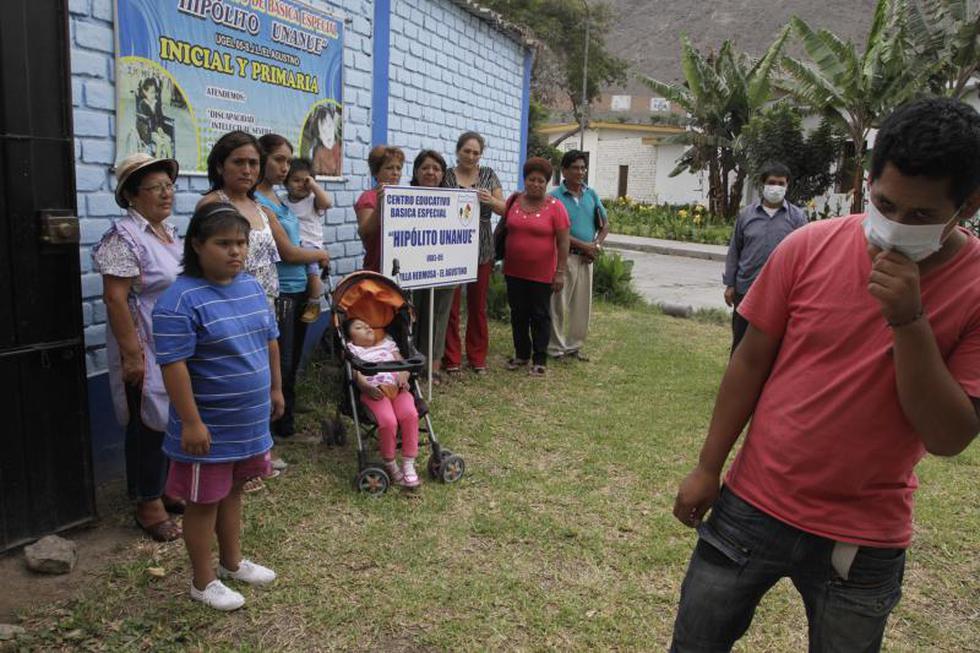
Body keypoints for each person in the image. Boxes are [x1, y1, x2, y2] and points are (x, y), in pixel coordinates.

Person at [670, 97, 980, 652]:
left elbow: (949, 435)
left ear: (968, 205)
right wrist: (707, 465)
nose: (895, 227)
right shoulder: (809, 245)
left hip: (863, 538)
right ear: (868, 182)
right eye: (885, 204)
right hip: (751, 505)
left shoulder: (975, 290)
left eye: (920, 217)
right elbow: (750, 362)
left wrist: (909, 320)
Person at [153, 202, 284, 611]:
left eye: (241, 243)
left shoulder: (250, 287)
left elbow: (270, 341)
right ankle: (202, 580)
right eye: (223, 243)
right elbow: (173, 367)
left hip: (248, 422)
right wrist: (191, 422)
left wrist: (276, 390)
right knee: (204, 501)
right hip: (207, 428)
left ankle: (231, 562)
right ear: (196, 245)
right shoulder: (179, 300)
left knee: (233, 493)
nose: (235, 252)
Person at [92, 152, 183, 542]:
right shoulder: (123, 236)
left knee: (170, 417)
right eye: (156, 188)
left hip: (171, 342)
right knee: (146, 420)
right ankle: (147, 503)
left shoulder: (168, 232)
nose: (166, 194)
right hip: (142, 341)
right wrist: (132, 354)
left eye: (169, 186)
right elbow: (115, 299)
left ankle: (162, 486)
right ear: (132, 195)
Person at [254, 134, 331, 440]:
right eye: (279, 160)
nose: (285, 167)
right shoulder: (258, 201)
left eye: (288, 160)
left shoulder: (277, 198)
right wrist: (321, 254)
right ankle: (274, 426)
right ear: (263, 160)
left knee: (294, 356)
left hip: (300, 287)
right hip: (281, 291)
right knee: (281, 361)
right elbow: (287, 251)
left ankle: (287, 420)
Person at [496, 157, 570, 376]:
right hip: (514, 271)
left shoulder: (556, 207)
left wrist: (560, 272)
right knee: (518, 313)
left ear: (546, 183)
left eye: (540, 181)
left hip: (542, 274)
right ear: (525, 180)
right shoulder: (514, 201)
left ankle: (539, 359)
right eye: (531, 179)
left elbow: (563, 241)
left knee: (540, 315)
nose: (535, 184)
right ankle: (521, 354)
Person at [722, 162, 807, 352]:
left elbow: (804, 255)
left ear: (787, 186)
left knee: (776, 345)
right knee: (741, 341)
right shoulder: (746, 215)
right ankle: (738, 380)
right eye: (772, 182)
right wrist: (730, 284)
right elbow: (735, 250)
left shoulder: (797, 218)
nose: (776, 187)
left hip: (781, 292)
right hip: (746, 288)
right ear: (763, 184)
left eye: (781, 183)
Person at [441, 132, 505, 375]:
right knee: (451, 305)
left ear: (481, 155)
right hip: (452, 246)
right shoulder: (446, 175)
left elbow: (504, 208)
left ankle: (477, 357)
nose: (470, 156)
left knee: (478, 306)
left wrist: (490, 200)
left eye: (475, 152)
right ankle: (452, 358)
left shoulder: (488, 175)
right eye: (466, 151)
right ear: (458, 151)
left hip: (482, 246)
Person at [547, 150, 609, 362]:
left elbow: (605, 224)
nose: (580, 172)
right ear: (564, 170)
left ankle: (574, 346)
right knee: (558, 304)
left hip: (586, 259)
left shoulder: (591, 194)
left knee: (582, 306)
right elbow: (556, 232)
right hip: (563, 258)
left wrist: (596, 246)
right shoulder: (554, 198)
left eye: (583, 168)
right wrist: (585, 246)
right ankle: (555, 348)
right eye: (575, 168)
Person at [345, 318, 420, 488]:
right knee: (388, 421)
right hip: (375, 392)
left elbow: (403, 363)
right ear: (350, 337)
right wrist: (364, 386)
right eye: (359, 327)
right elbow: (357, 374)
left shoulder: (387, 344)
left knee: (410, 415)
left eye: (368, 324)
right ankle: (390, 463)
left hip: (398, 387)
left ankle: (408, 463)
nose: (367, 327)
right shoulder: (353, 350)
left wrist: (404, 373)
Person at [409, 149, 456, 384]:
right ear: (416, 171)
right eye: (425, 167)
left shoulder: (454, 200)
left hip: (443, 267)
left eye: (436, 168)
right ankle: (410, 364)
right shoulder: (402, 198)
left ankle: (434, 366)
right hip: (411, 268)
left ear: (443, 174)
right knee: (411, 314)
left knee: (438, 315)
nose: (430, 172)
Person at [282, 156, 333, 323]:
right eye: (295, 180)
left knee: (312, 273)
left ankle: (314, 301)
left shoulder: (312, 201)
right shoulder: (282, 201)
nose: (301, 185)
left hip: (311, 245)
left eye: (305, 181)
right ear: (285, 182)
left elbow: (327, 203)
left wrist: (314, 186)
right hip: (292, 245)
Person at [355, 145, 405, 273]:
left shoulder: (404, 197)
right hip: (377, 269)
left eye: (398, 168)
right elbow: (365, 233)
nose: (395, 173)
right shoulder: (368, 197)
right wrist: (380, 205)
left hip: (403, 269)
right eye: (389, 168)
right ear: (376, 172)